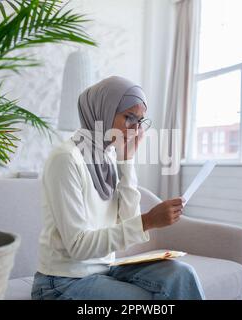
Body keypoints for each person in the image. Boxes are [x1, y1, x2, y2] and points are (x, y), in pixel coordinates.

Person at [31, 76, 205, 300]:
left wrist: (127, 160)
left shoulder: (109, 157)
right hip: (60, 282)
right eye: (129, 117)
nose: (135, 129)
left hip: (105, 269)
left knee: (181, 274)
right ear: (103, 111)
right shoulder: (66, 159)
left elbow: (127, 222)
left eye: (140, 121)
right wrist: (149, 220)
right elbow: (78, 247)